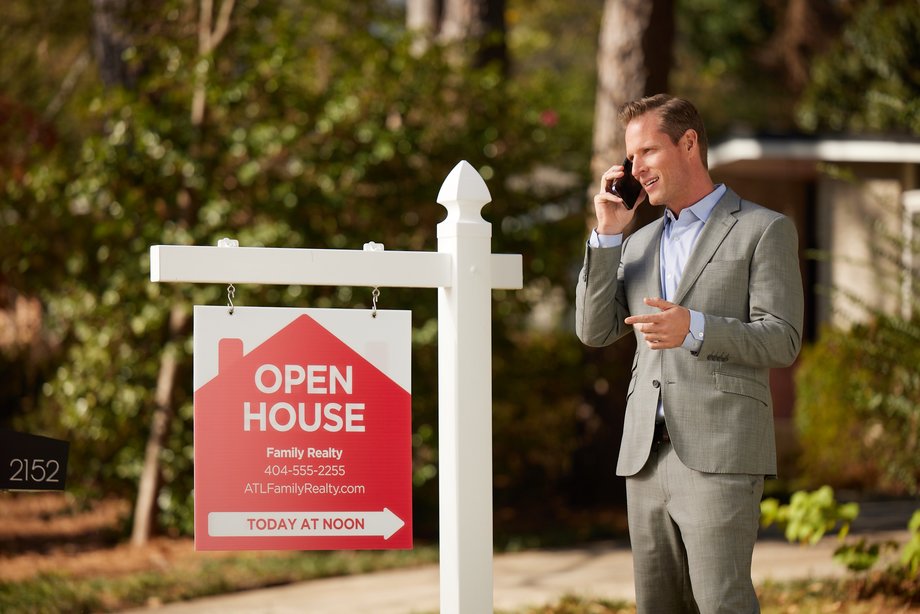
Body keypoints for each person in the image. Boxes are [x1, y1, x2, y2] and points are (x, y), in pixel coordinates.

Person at [575, 94, 804, 613]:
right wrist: (608, 236)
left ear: (689, 143)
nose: (636, 169)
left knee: (721, 603)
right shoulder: (635, 243)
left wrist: (694, 327)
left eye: (648, 152)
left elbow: (782, 337)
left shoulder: (762, 229)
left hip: (720, 454)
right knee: (657, 605)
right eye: (630, 158)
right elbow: (593, 330)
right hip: (644, 458)